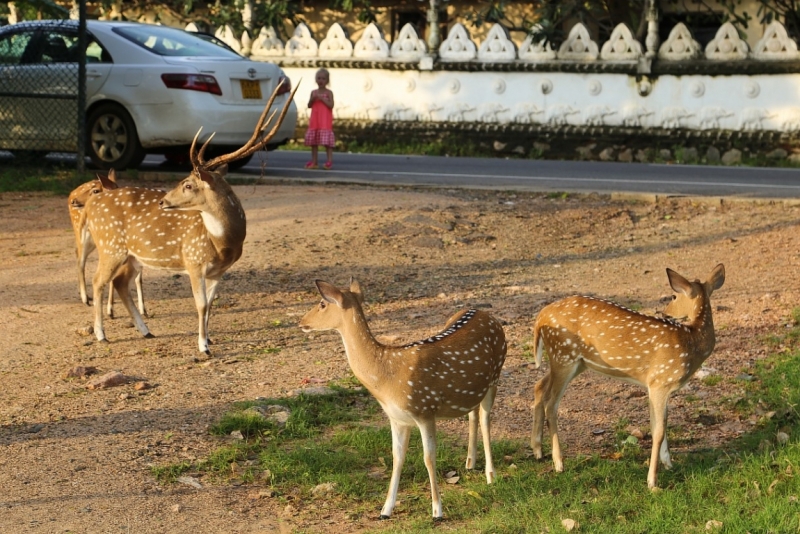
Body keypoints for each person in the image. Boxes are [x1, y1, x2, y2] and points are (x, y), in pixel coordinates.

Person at [304, 68, 335, 170]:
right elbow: (309, 105)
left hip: (325, 122)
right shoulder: (313, 92)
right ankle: (314, 161)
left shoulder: (328, 93)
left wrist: (322, 99)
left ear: (327, 81)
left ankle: (329, 161)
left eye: (323, 78)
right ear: (316, 80)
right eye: (319, 78)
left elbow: (331, 105)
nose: (321, 80)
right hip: (315, 122)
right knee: (314, 143)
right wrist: (312, 99)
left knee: (327, 144)